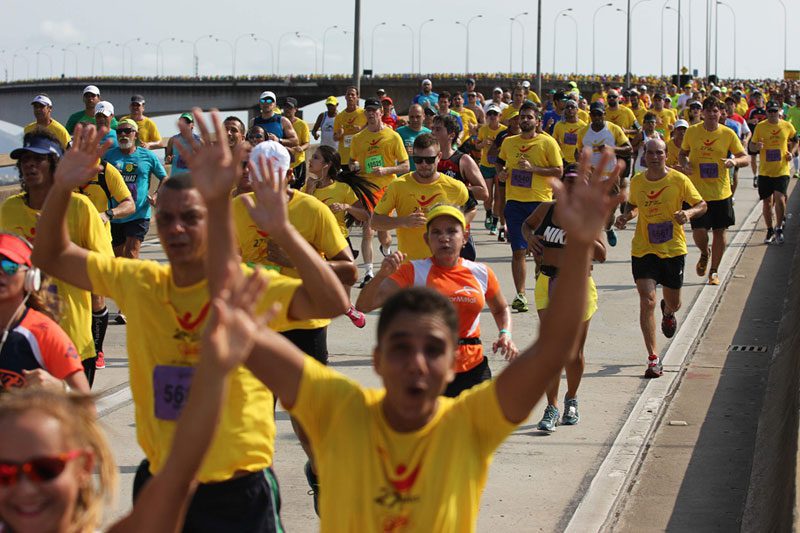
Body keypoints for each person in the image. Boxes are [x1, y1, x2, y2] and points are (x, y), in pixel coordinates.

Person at [216, 147, 621, 531]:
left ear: (450, 362)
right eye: (401, 347)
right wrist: (273, 230)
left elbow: (553, 349)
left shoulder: (467, 423)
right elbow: (335, 301)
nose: (417, 362)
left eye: (432, 350)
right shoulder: (344, 407)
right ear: (375, 360)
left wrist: (582, 243)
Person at [32, 116, 350, 531]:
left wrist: (285, 232)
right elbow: (51, 256)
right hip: (164, 484)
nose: (176, 229)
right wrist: (61, 187)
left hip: (240, 489)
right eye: (165, 219)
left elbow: (333, 300)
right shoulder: (139, 282)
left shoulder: (244, 287)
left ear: (212, 219)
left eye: (191, 217)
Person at [0, 266, 273, 533]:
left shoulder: (43, 332)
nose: (24, 489)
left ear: (82, 468)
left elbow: (179, 474)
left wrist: (214, 377)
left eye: (46, 469)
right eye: (4, 474)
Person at [357, 203, 517, 398]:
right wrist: (381, 275)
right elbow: (363, 305)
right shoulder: (413, 271)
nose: (444, 238)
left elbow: (501, 309)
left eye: (452, 231)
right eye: (436, 232)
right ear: (427, 239)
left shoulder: (482, 273)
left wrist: (505, 333)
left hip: (473, 368)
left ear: (464, 237)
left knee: (477, 427)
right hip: (429, 370)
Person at [2, 131, 113, 387]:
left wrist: (61, 251)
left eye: (38, 159)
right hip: (21, 337)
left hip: (71, 337)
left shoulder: (80, 208)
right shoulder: (9, 210)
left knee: (74, 419)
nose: (29, 164)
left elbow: (105, 272)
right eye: (24, 159)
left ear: (55, 164)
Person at [523, 163, 606, 429]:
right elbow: (527, 225)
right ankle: (551, 407)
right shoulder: (547, 209)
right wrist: (530, 239)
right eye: (569, 181)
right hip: (547, 282)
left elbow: (602, 255)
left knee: (573, 353)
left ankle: (571, 398)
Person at [616, 139, 707, 377]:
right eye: (650, 153)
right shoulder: (637, 181)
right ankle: (653, 358)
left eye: (660, 153)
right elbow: (634, 206)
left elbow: (701, 205)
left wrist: (688, 212)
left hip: (673, 249)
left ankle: (669, 312)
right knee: (647, 300)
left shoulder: (678, 180)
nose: (655, 157)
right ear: (644, 156)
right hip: (644, 248)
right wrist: (627, 217)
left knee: (673, 302)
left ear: (667, 155)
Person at [0, 233, 89, 394]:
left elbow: (87, 407)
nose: (0, 272)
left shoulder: (44, 333)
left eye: (9, 266)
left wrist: (61, 389)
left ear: (30, 277)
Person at [496, 102, 564, 312]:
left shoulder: (547, 142)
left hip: (540, 204)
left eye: (529, 117)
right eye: (522, 117)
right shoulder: (509, 142)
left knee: (539, 253)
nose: (525, 120)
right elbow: (500, 162)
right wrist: (502, 174)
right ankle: (521, 294)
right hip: (515, 203)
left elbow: (559, 170)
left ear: (537, 121)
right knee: (518, 251)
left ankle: (541, 281)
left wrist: (533, 169)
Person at [679, 97, 749, 285]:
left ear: (721, 113)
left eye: (715, 111)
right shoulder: (692, 132)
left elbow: (745, 157)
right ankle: (704, 252)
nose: (711, 114)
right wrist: (685, 164)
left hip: (721, 192)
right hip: (697, 193)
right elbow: (682, 153)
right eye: (708, 110)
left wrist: (733, 161)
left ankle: (714, 271)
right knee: (699, 232)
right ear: (702, 113)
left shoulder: (728, 133)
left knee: (720, 231)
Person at [371, 133, 468, 261]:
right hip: (411, 268)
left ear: (439, 157)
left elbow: (470, 211)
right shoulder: (398, 186)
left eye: (429, 160)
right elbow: (375, 222)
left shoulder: (456, 188)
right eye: (418, 159)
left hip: (444, 267)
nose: (423, 164)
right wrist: (403, 221)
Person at [348, 98, 410, 285]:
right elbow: (351, 162)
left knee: (384, 234)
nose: (371, 114)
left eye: (374, 111)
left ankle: (386, 249)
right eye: (368, 111)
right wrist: (354, 166)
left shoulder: (393, 136)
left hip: (387, 188)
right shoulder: (359, 138)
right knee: (368, 228)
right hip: (367, 188)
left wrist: (386, 170)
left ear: (381, 113)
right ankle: (368, 272)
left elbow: (405, 166)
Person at [104, 118, 167, 261]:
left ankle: (133, 282)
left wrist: (157, 195)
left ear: (136, 135)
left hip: (138, 213)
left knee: (132, 253)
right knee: (118, 259)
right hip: (115, 214)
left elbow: (164, 177)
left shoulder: (148, 156)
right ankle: (122, 283)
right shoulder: (109, 156)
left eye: (127, 131)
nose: (123, 135)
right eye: (119, 131)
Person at [576, 101, 632, 247]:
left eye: (599, 114)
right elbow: (578, 151)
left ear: (604, 115)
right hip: (591, 178)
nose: (596, 117)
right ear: (590, 115)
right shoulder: (583, 132)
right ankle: (593, 243)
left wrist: (611, 148)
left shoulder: (613, 129)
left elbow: (628, 148)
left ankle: (607, 228)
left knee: (609, 212)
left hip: (610, 176)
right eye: (593, 114)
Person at [750, 100, 798, 244]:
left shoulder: (787, 125)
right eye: (770, 111)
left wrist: (792, 152)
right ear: (766, 112)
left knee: (780, 198)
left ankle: (779, 228)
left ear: (779, 112)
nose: (772, 114)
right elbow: (751, 148)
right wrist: (757, 146)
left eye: (775, 111)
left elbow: (795, 140)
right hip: (765, 171)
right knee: (766, 202)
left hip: (782, 169)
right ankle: (769, 229)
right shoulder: (760, 127)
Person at [488, 110, 521, 241]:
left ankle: (517, 228)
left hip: (521, 175)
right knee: (503, 200)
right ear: (510, 121)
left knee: (518, 202)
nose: (517, 121)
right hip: (505, 173)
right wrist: (500, 156)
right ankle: (503, 226)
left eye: (519, 118)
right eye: (515, 119)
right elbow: (491, 154)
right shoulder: (503, 135)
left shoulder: (527, 135)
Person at [475, 105, 507, 233]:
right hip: (486, 165)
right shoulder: (483, 129)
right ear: (487, 116)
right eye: (490, 114)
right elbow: (477, 145)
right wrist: (482, 144)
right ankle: (488, 213)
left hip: (499, 166)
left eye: (495, 114)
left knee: (499, 196)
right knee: (487, 196)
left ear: (500, 116)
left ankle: (494, 222)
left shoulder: (504, 131)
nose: (493, 116)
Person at [333, 86, 367, 165]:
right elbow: (334, 138)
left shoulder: (364, 113)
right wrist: (339, 134)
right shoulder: (339, 116)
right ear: (345, 97)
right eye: (348, 94)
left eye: (353, 94)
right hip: (344, 157)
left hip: (360, 157)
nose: (350, 97)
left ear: (357, 97)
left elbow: (372, 128)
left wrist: (361, 128)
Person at [283, 97, 311, 189]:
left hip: (298, 162)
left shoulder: (302, 124)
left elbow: (307, 143)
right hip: (283, 162)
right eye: (286, 107)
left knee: (297, 189)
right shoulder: (279, 123)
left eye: (290, 108)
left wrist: (301, 148)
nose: (287, 110)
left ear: (296, 109)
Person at [396, 104, 431, 172]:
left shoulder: (429, 133)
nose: (415, 120)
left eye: (418, 117)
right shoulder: (399, 132)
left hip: (422, 175)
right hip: (404, 176)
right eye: (412, 117)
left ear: (424, 116)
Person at [552, 99, 586, 165]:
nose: (570, 109)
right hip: (563, 160)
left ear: (577, 110)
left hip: (578, 162)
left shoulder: (583, 126)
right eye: (567, 107)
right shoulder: (559, 125)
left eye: (572, 107)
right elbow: (554, 142)